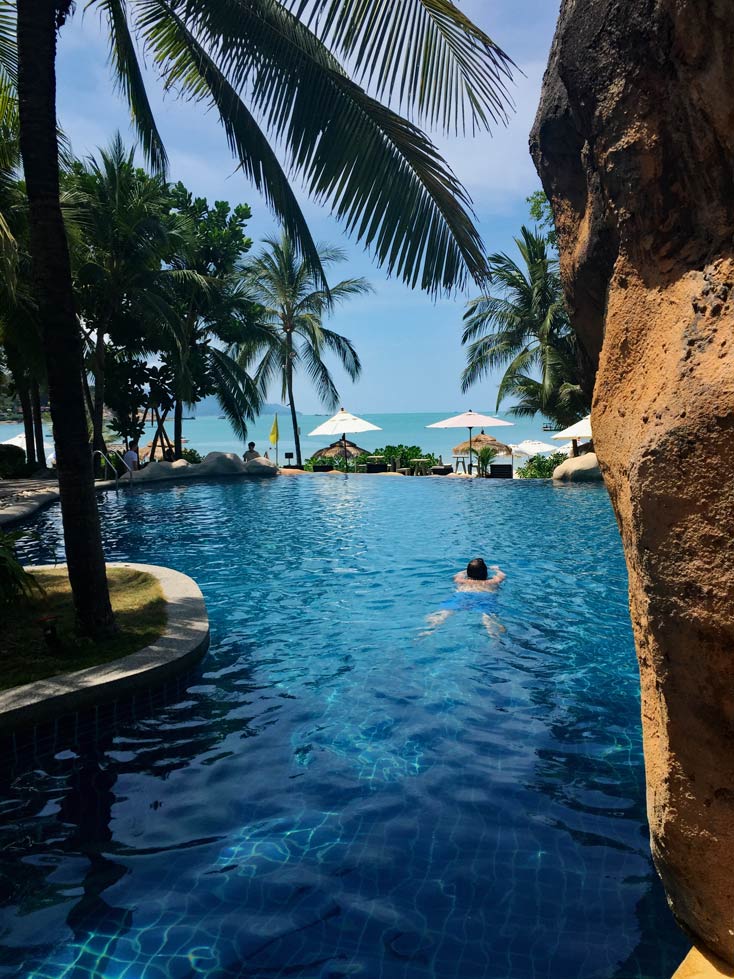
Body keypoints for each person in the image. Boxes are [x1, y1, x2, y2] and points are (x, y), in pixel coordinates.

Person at [421, 558, 506, 637]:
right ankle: (495, 637)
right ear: (485, 572)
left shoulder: (461, 581)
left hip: (463, 596)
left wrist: (466, 570)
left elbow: (457, 575)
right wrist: (496, 569)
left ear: (468, 573)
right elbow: (502, 576)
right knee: (488, 617)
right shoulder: (492, 582)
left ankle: (429, 630)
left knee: (445, 613)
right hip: (484, 597)